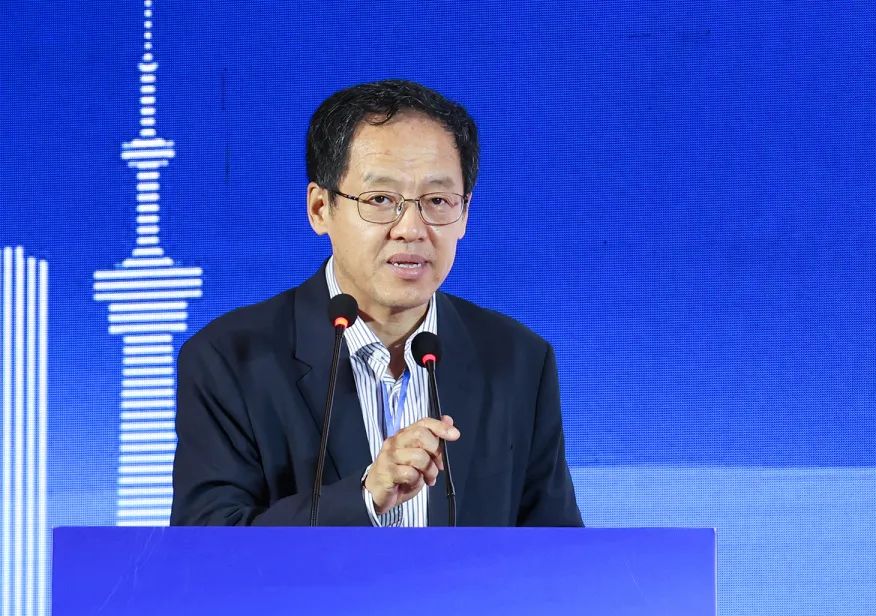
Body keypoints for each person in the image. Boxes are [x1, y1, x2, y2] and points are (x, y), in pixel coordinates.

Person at [170, 79, 582, 527]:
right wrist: (364, 497)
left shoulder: (518, 360)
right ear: (320, 208)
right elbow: (208, 544)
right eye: (381, 199)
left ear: (465, 214)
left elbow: (555, 549)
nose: (411, 229)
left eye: (438, 201)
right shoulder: (230, 359)